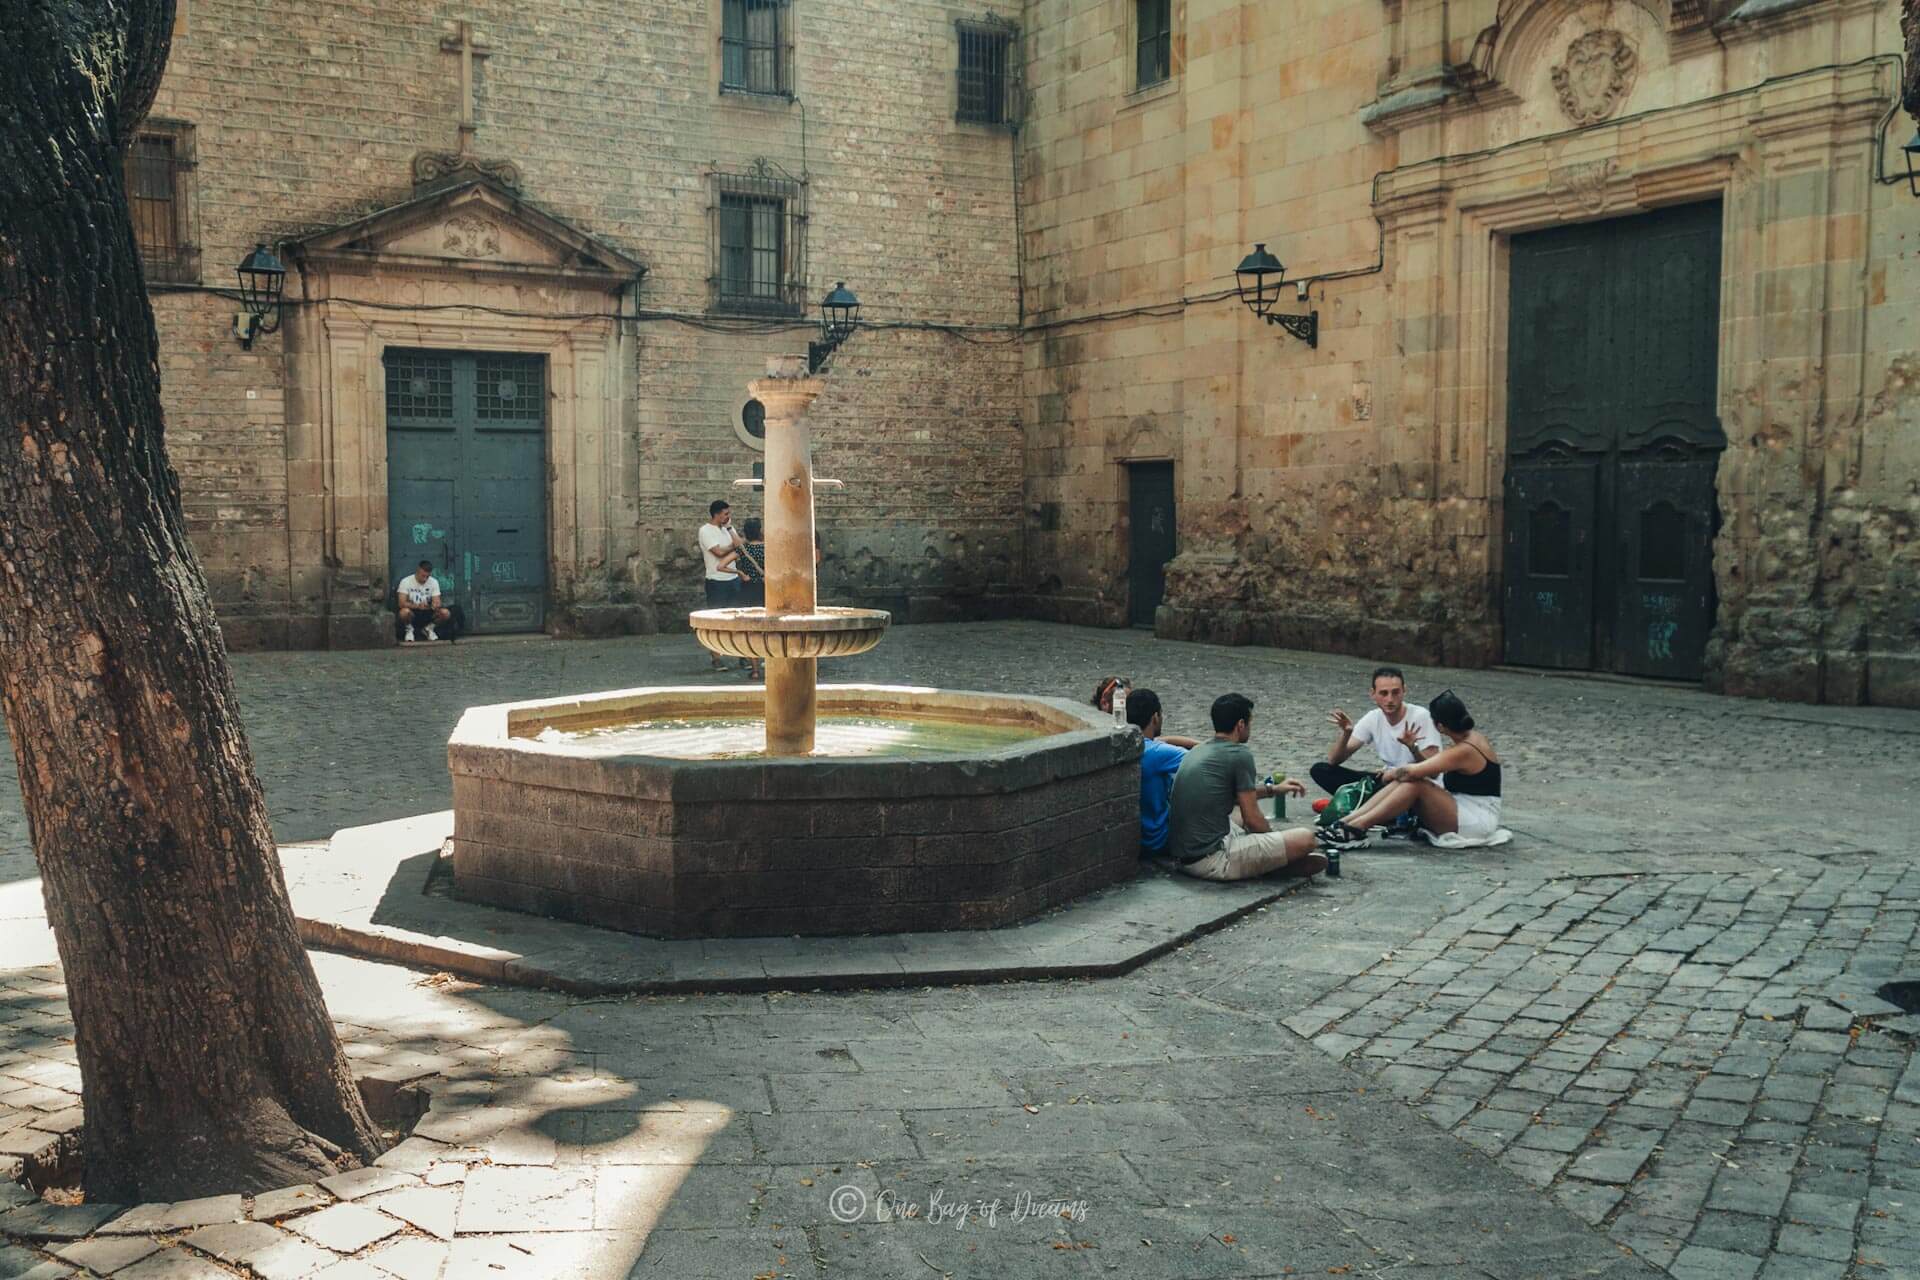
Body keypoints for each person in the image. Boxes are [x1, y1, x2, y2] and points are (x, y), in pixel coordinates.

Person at [1164, 693, 1327, 882]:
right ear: (1241, 725)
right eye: (1250, 723)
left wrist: (1273, 789)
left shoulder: (1201, 749)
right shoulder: (1239, 754)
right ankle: (1272, 865)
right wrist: (1276, 844)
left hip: (1183, 856)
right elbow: (1254, 819)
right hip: (1212, 860)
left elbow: (1232, 798)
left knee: (1238, 812)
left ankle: (1261, 862)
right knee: (1306, 838)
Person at [1319, 691, 1502, 849]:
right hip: (1464, 807)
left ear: (1440, 727)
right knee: (1410, 781)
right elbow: (1425, 771)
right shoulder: (1471, 738)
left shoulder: (1464, 750)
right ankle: (1347, 822)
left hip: (1477, 820)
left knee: (1415, 784)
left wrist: (1390, 773)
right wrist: (1413, 749)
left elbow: (1416, 772)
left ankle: (1357, 828)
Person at [1311, 666, 1441, 796]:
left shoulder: (1421, 716)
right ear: (1373, 693)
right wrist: (1346, 734)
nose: (1390, 699)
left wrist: (1413, 748)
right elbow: (1333, 760)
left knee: (1399, 787)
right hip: (1386, 780)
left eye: (1395, 692)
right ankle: (1368, 802)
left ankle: (1366, 803)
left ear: (1404, 691)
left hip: (1415, 785)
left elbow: (1433, 773)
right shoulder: (1373, 717)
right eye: (1384, 693)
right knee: (1320, 770)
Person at [1124, 689, 1200, 857]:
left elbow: (1160, 741)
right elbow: (1205, 758)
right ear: (1155, 717)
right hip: (1159, 839)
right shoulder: (1157, 753)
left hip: (1138, 838)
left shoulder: (1133, 746)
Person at [697, 499, 744, 672]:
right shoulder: (705, 531)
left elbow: (740, 547)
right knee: (716, 621)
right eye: (726, 514)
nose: (728, 517)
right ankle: (716, 658)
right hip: (716, 581)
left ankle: (742, 655)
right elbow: (718, 552)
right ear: (716, 514)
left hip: (733, 580)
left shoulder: (728, 529)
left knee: (738, 620)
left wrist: (731, 530)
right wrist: (735, 544)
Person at [734, 518, 768, 680]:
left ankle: (754, 670)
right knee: (769, 627)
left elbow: (721, 566)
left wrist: (741, 574)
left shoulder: (743, 549)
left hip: (747, 590)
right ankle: (770, 663)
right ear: (759, 530)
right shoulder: (768, 549)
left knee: (750, 629)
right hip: (765, 590)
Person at [396, 560, 450, 643]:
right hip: (413, 611)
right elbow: (401, 603)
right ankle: (409, 630)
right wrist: (417, 606)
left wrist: (434, 605)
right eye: (423, 576)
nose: (425, 579)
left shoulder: (434, 582)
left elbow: (437, 601)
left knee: (445, 613)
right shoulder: (406, 581)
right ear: (418, 571)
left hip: (427, 611)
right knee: (404, 612)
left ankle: (429, 629)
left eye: (427, 577)